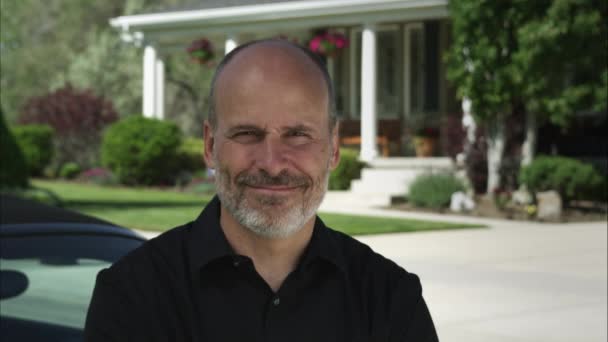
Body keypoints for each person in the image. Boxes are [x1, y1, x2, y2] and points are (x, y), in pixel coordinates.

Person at [84, 39, 439, 342]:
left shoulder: (391, 299)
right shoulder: (134, 295)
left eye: (297, 135)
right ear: (210, 144)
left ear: (332, 149)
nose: (272, 163)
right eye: (247, 134)